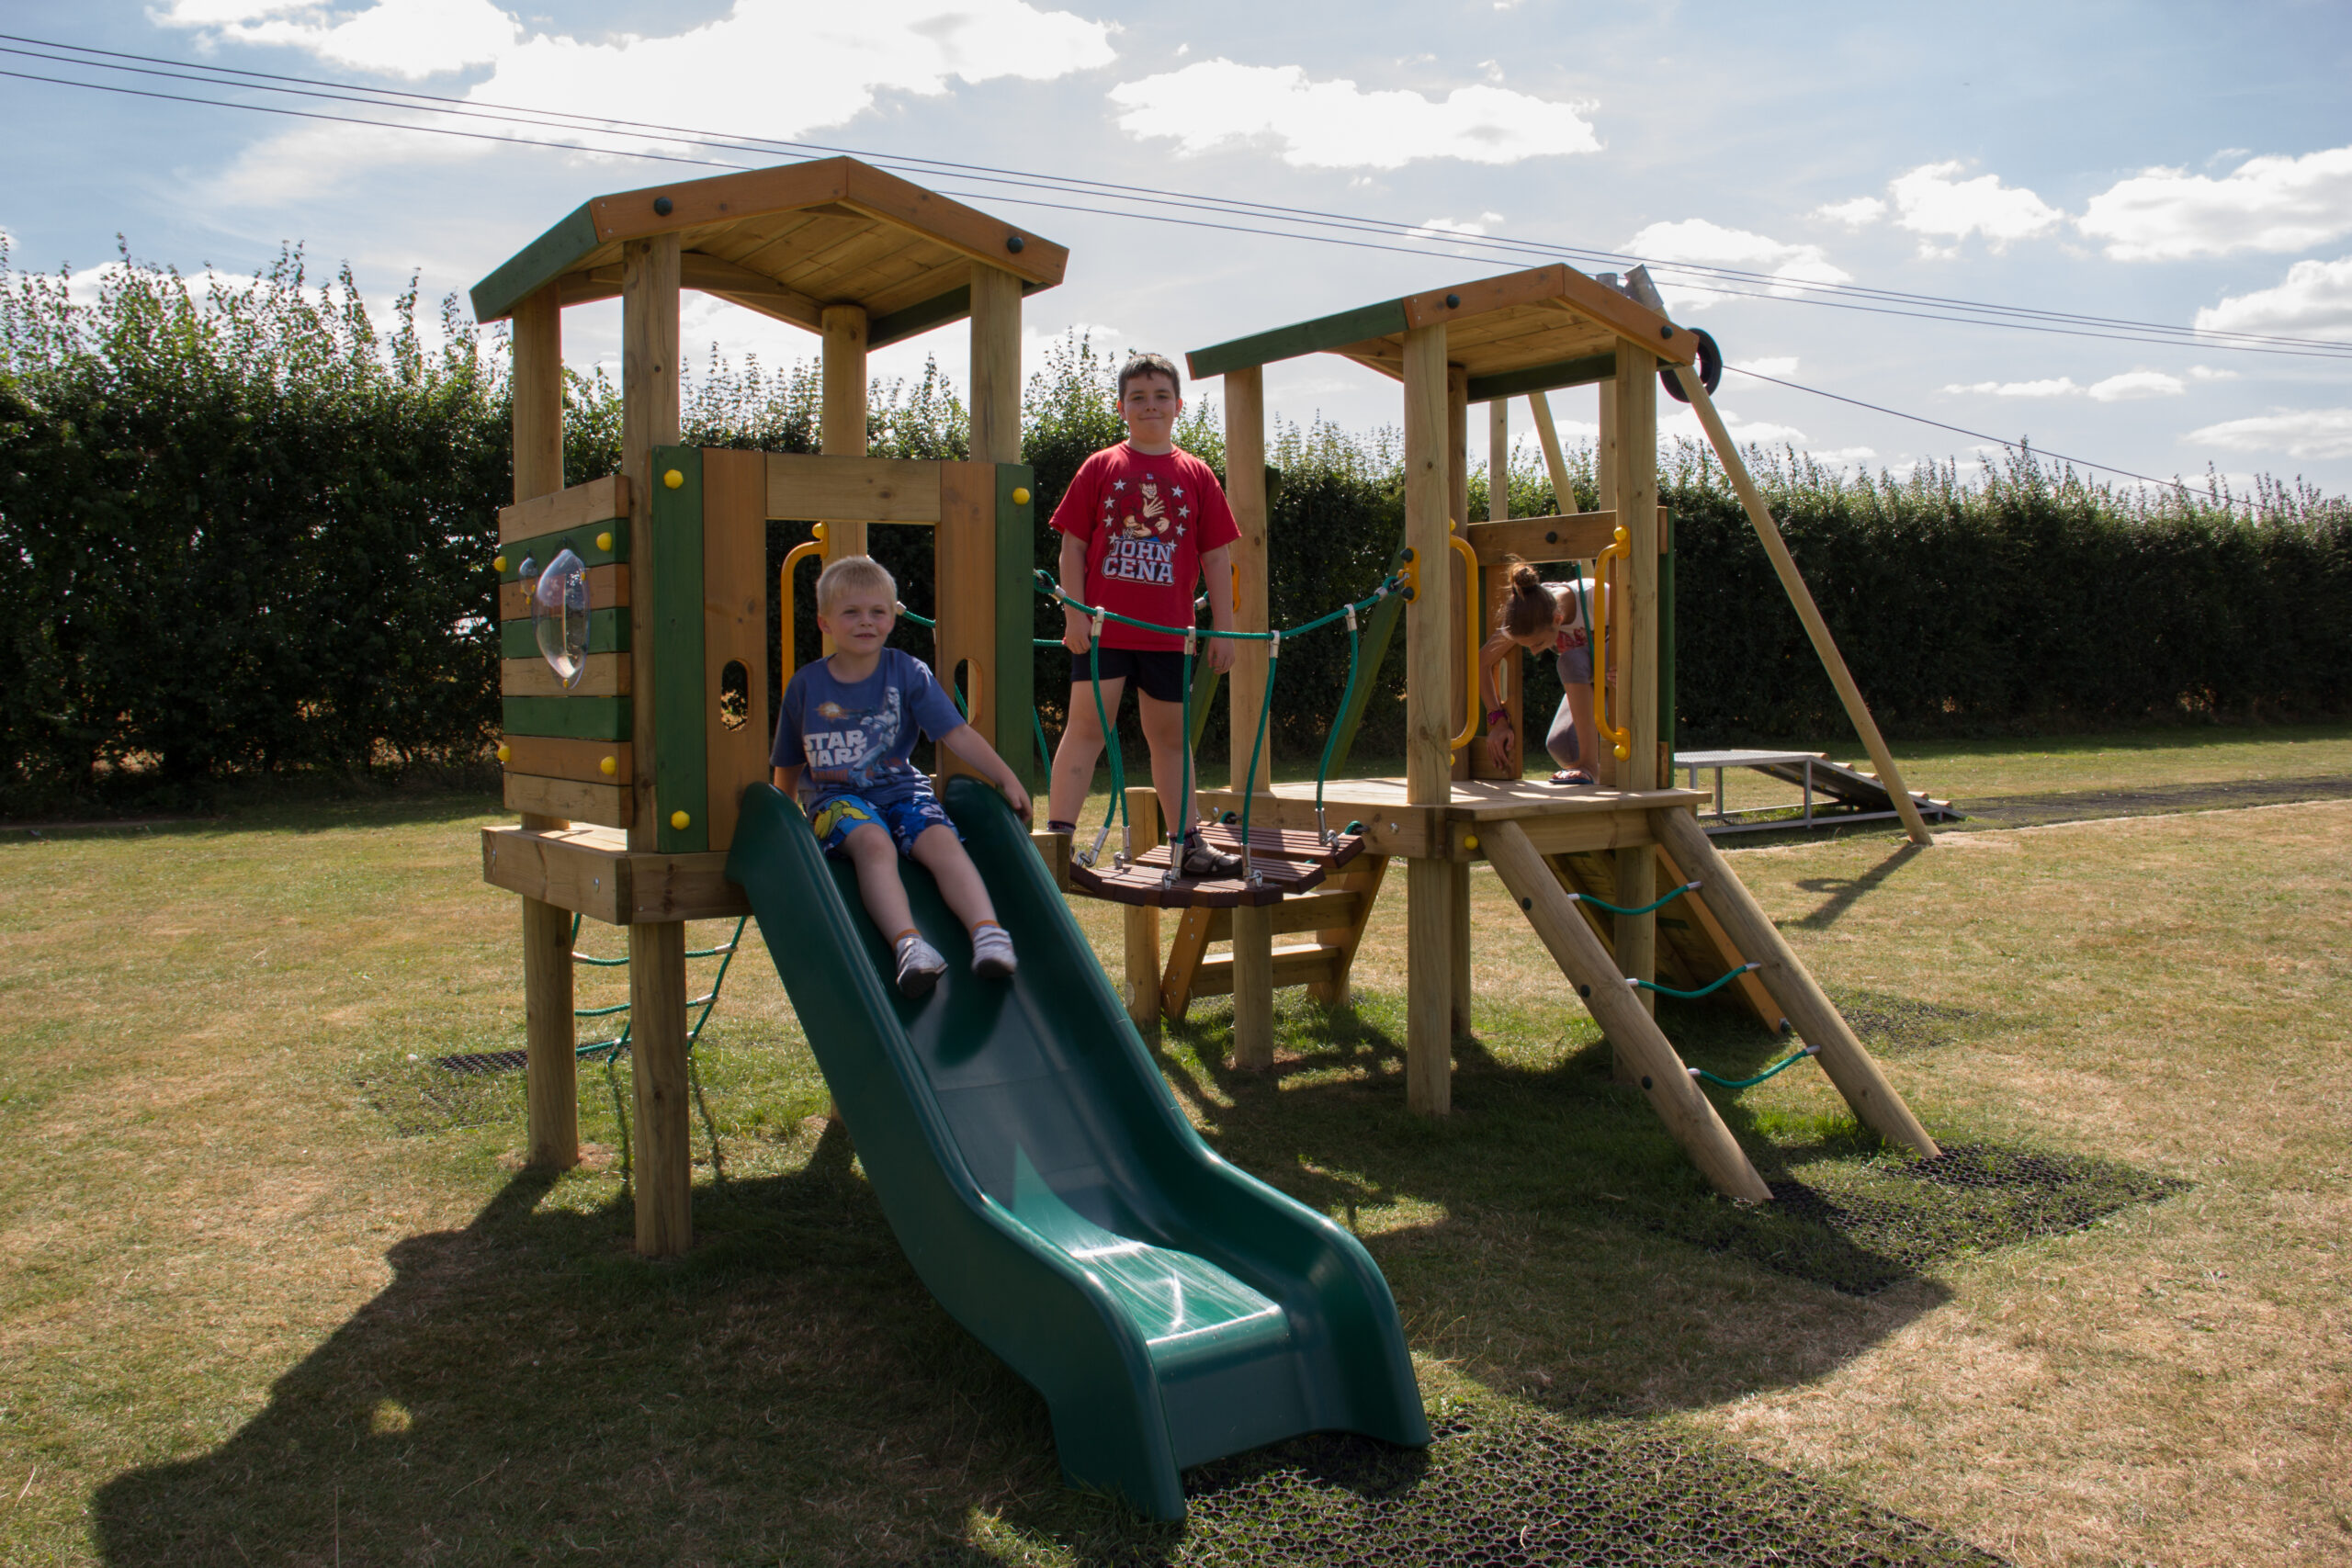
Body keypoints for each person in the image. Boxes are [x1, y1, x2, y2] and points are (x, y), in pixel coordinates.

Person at [772, 554, 1033, 998]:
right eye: (851, 612)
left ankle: (988, 933)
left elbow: (956, 732)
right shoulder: (807, 685)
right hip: (836, 799)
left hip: (901, 789)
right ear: (825, 622)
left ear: (892, 617)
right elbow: (790, 758)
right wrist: (784, 819)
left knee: (939, 839)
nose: (866, 622)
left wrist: (1005, 776)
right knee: (873, 844)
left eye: (877, 611)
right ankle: (910, 945)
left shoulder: (907, 673)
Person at [1043, 352, 1245, 877]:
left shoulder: (1197, 474)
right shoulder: (1101, 466)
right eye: (1138, 397)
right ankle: (1058, 847)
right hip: (1103, 631)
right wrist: (1074, 614)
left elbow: (1218, 558)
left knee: (1171, 740)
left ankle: (1189, 845)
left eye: (1160, 397)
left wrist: (1221, 629)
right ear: (1122, 408)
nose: (1149, 406)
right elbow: (1072, 548)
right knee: (1086, 729)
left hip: (1169, 637)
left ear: (1178, 406)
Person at [1477, 556, 1606, 786]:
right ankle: (1596, 774)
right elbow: (1482, 662)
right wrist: (1498, 720)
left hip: (1620, 672)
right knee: (1560, 745)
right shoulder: (1526, 613)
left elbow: (1640, 624)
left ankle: (1588, 764)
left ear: (1558, 619)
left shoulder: (1594, 596)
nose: (1535, 653)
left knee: (1570, 660)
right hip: (1590, 679)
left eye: (1538, 644)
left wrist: (1619, 665)